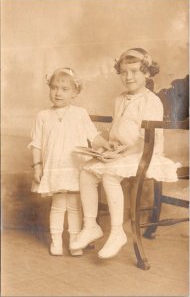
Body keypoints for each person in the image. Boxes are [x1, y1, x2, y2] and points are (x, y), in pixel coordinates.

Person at [70, 48, 181, 259]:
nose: (128, 76)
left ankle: (117, 231)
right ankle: (91, 225)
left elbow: (144, 141)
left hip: (145, 153)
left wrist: (121, 155)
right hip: (123, 152)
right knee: (87, 173)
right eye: (123, 72)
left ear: (147, 73)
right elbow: (117, 131)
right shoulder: (119, 99)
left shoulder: (151, 102)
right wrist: (108, 146)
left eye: (134, 71)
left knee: (110, 175)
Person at [28, 67, 115, 257]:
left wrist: (105, 144)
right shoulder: (42, 116)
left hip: (75, 168)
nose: (58, 93)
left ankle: (76, 243)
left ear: (75, 92)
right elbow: (36, 144)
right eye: (54, 88)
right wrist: (37, 166)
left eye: (65, 89)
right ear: (49, 89)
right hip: (55, 169)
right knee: (58, 206)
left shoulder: (80, 113)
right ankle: (56, 242)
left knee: (75, 206)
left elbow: (93, 136)